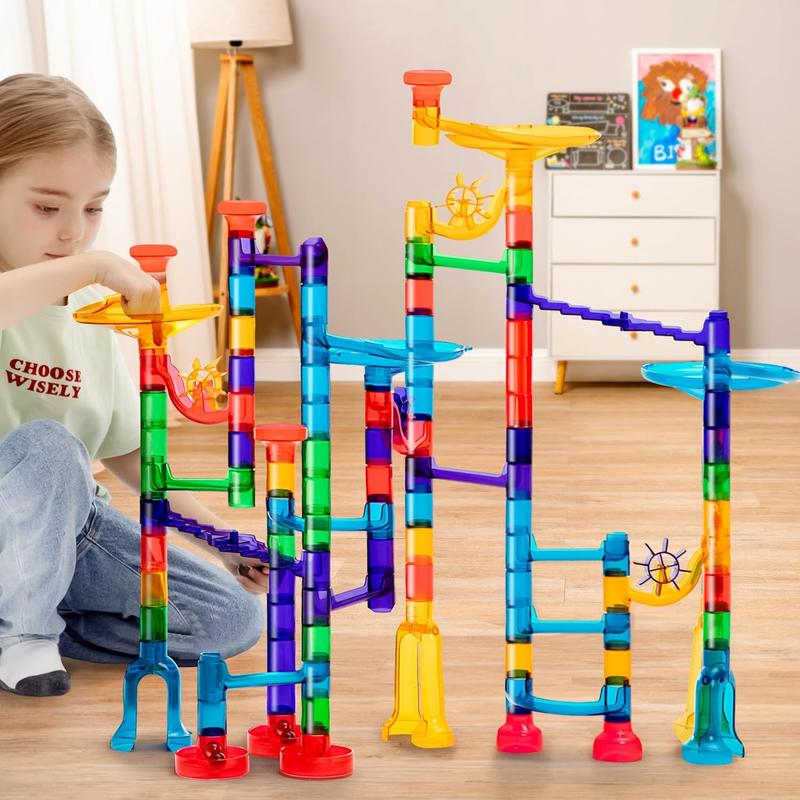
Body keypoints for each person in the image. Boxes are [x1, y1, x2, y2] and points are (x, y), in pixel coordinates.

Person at [0, 73, 267, 697]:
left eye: (93, 208)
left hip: (70, 533)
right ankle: (24, 635)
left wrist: (221, 539)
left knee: (231, 618)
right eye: (47, 208)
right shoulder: (69, 278)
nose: (74, 232)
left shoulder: (90, 309)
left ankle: (25, 614)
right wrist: (95, 264)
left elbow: (130, 453)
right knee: (48, 445)